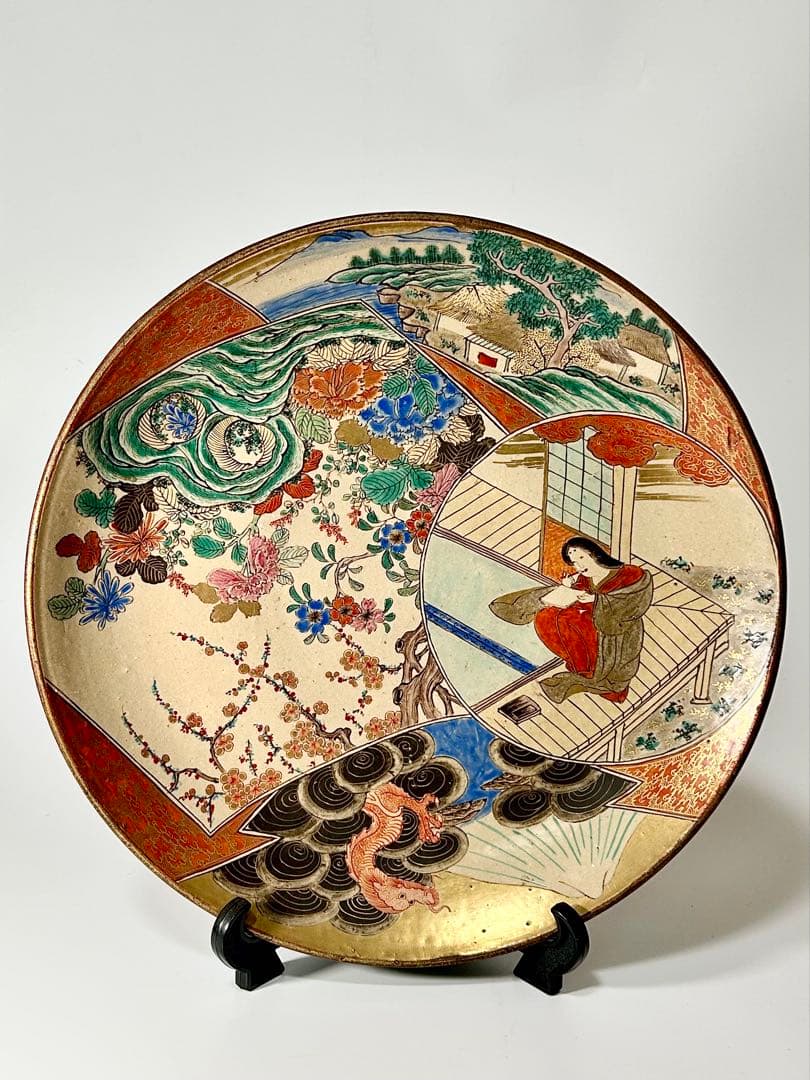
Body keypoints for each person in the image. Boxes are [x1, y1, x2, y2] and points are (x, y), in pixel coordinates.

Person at [490, 537, 653, 704]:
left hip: (615, 629)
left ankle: (589, 670)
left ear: (595, 554)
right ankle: (580, 665)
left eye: (582, 558)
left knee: (567, 622)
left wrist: (597, 600)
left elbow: (633, 602)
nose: (579, 566)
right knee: (547, 617)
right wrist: (570, 587)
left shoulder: (631, 574)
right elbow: (581, 591)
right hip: (592, 616)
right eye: (575, 562)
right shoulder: (586, 576)